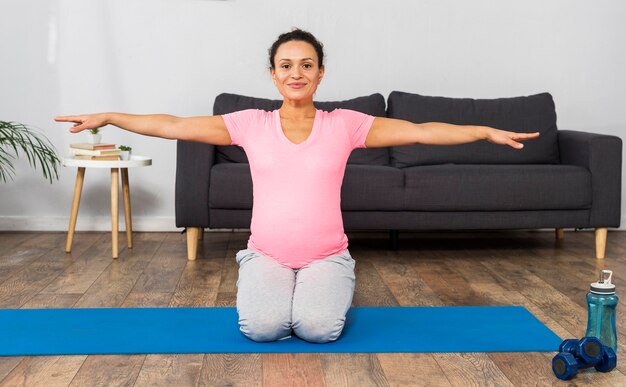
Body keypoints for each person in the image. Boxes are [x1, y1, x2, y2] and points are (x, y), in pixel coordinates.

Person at [55, 28, 539, 343]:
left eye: (306, 64)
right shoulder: (249, 124)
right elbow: (173, 124)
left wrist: (483, 130)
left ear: (320, 73)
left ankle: (327, 279)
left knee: (319, 329)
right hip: (266, 252)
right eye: (286, 65)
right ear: (273, 74)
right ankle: (269, 277)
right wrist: (110, 117)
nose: (296, 73)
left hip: (326, 254)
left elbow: (420, 130)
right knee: (263, 329)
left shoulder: (346, 124)